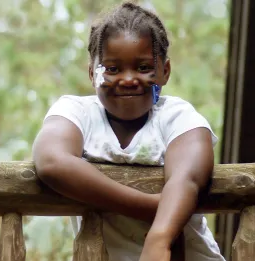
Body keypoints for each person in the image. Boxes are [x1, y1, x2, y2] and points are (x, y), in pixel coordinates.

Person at [32, 2, 226, 261]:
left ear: (164, 71)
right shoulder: (76, 112)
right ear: (92, 73)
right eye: (112, 69)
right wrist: (153, 207)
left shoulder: (176, 116)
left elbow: (188, 177)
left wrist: (159, 239)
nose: (128, 79)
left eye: (144, 67)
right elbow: (51, 162)